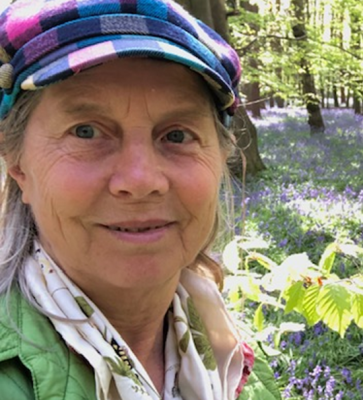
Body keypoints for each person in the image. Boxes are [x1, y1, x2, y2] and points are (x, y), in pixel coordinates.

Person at [0, 0, 258, 399]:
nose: (140, 181)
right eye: (86, 131)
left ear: (220, 157)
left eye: (176, 135)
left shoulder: (232, 357)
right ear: (17, 162)